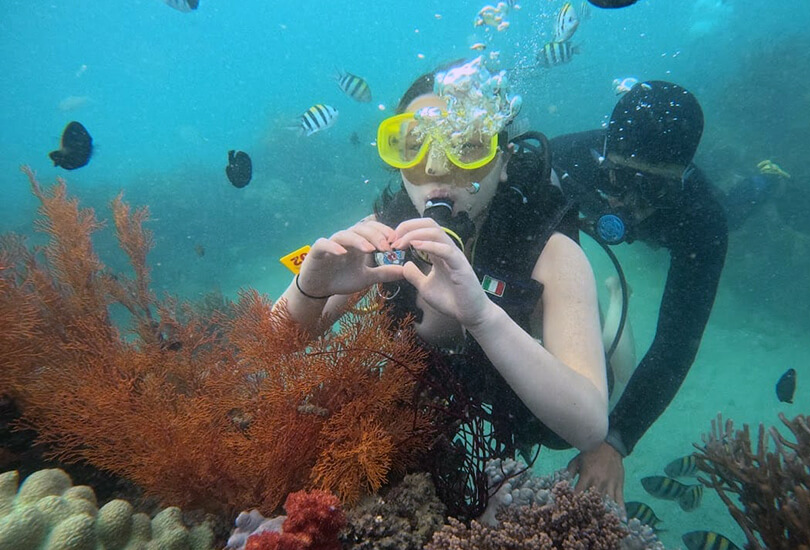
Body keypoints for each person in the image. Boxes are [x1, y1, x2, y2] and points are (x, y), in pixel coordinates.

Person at [274, 59, 610, 510]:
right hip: (434, 388)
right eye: (413, 146)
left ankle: (614, 315)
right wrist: (309, 289)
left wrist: (484, 317)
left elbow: (589, 427)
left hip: (524, 393)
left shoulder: (550, 252)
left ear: (503, 161)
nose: (436, 169)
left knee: (566, 411)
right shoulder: (379, 236)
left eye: (468, 147)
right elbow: (271, 344)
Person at [551, 81, 728, 504]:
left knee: (740, 208)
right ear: (603, 157)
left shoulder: (703, 218)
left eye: (654, 189)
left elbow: (677, 342)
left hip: (676, 229)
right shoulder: (565, 160)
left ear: (682, 179)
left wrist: (616, 440)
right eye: (621, 178)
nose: (629, 201)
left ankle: (764, 184)